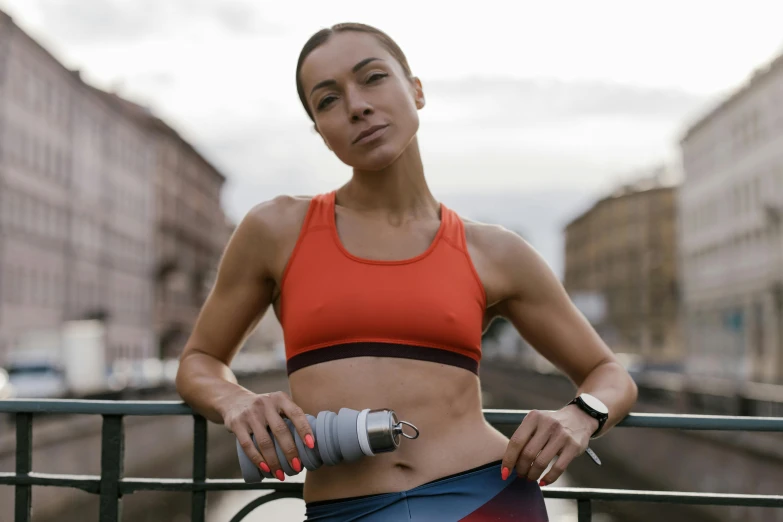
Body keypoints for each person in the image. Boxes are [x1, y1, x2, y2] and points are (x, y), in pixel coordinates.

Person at [175, 22, 638, 521]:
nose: (356, 106)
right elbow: (199, 360)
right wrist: (237, 401)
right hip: (347, 511)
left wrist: (579, 415)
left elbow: (610, 373)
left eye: (372, 78)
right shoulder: (275, 229)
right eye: (328, 101)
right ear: (320, 131)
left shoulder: (494, 251)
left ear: (416, 90)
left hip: (487, 502)